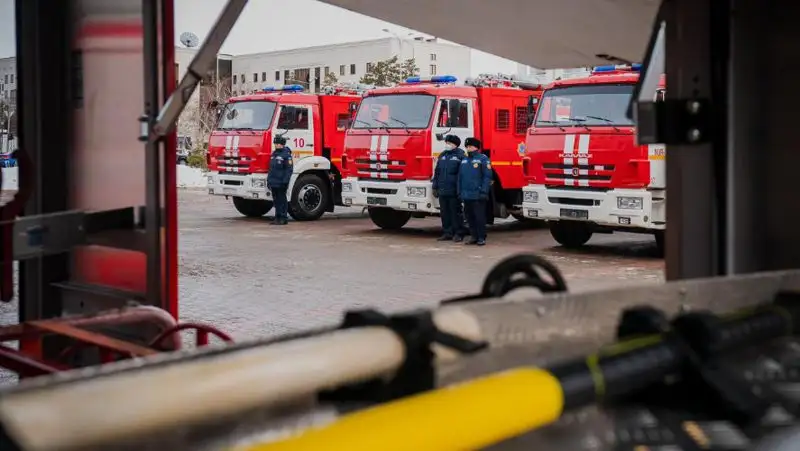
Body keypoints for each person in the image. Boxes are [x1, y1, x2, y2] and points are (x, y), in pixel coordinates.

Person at [432, 135, 467, 242]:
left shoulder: (461, 156)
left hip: (454, 191)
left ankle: (458, 233)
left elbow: (463, 175)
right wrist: (435, 186)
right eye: (446, 143)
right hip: (443, 190)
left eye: (449, 143)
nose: (447, 145)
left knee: (455, 212)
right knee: (444, 213)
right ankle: (447, 232)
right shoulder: (443, 155)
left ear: (455, 144)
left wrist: (460, 190)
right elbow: (437, 172)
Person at [457, 137, 492, 245]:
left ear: (476, 147)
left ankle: (481, 237)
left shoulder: (483, 159)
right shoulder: (464, 160)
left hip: (478, 194)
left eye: (470, 146)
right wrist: (460, 192)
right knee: (469, 217)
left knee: (479, 217)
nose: (468, 148)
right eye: (467, 147)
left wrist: (484, 191)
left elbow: (487, 177)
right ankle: (474, 236)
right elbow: (460, 177)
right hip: (466, 195)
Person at [267, 135, 293, 225]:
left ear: (282, 144)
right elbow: (271, 169)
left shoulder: (286, 155)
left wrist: (285, 181)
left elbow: (288, 170)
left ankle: (283, 217)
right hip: (273, 182)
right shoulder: (274, 154)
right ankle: (277, 217)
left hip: (281, 182)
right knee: (276, 201)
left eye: (277, 144)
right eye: (275, 144)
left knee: (282, 200)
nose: (276, 145)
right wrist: (268, 180)